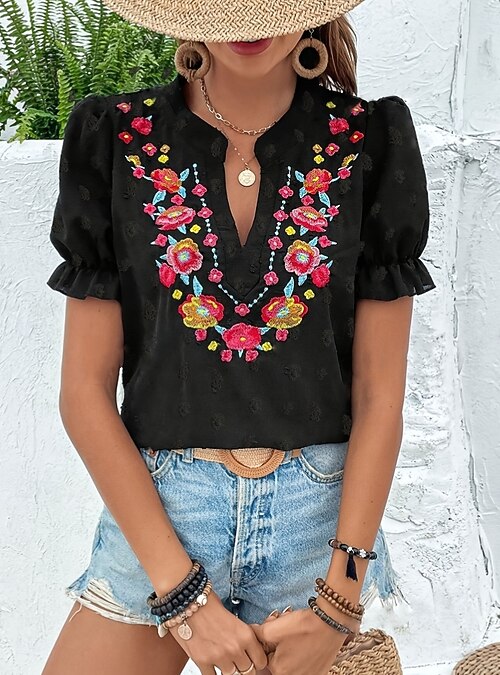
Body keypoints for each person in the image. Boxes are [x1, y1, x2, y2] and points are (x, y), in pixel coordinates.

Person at [42, 0, 437, 673]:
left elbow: (379, 397)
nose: (249, 25)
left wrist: (340, 601)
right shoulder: (116, 139)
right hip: (163, 514)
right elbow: (83, 393)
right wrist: (183, 598)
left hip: (320, 532)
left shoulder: (370, 143)